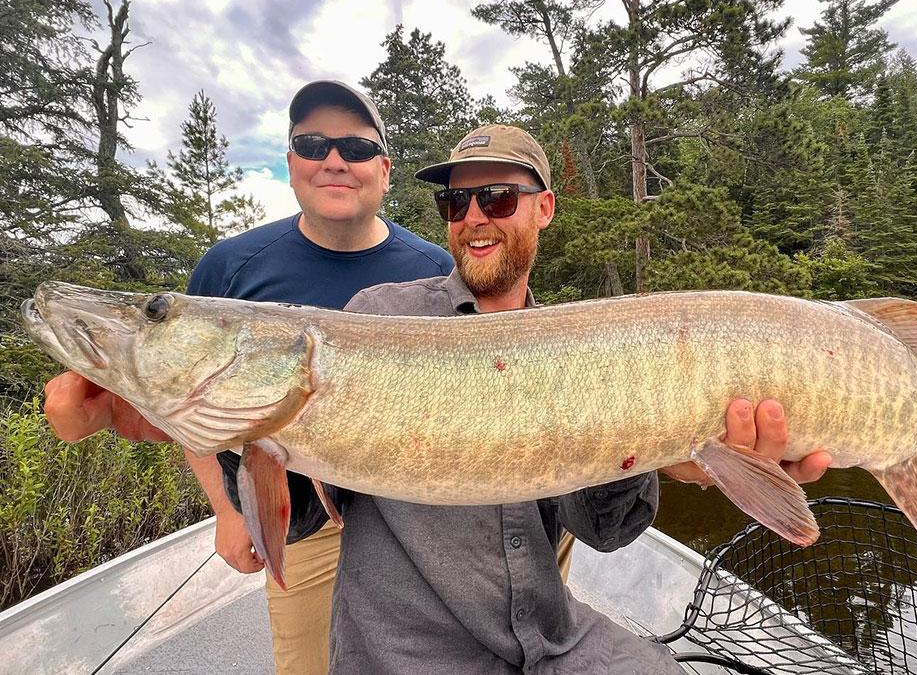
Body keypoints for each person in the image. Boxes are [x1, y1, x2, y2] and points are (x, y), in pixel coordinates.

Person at [325, 124, 832, 674]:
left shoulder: (590, 345)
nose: (474, 217)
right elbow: (305, 503)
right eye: (455, 201)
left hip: (551, 642)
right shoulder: (379, 318)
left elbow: (606, 532)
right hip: (407, 656)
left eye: (495, 197)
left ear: (543, 208)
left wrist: (649, 450)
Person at [41, 80, 455, 675]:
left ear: (384, 171)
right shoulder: (230, 268)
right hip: (305, 532)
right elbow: (198, 402)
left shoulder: (434, 268)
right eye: (313, 144)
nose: (335, 160)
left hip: (418, 516)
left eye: (357, 149)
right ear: (291, 164)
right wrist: (229, 509)